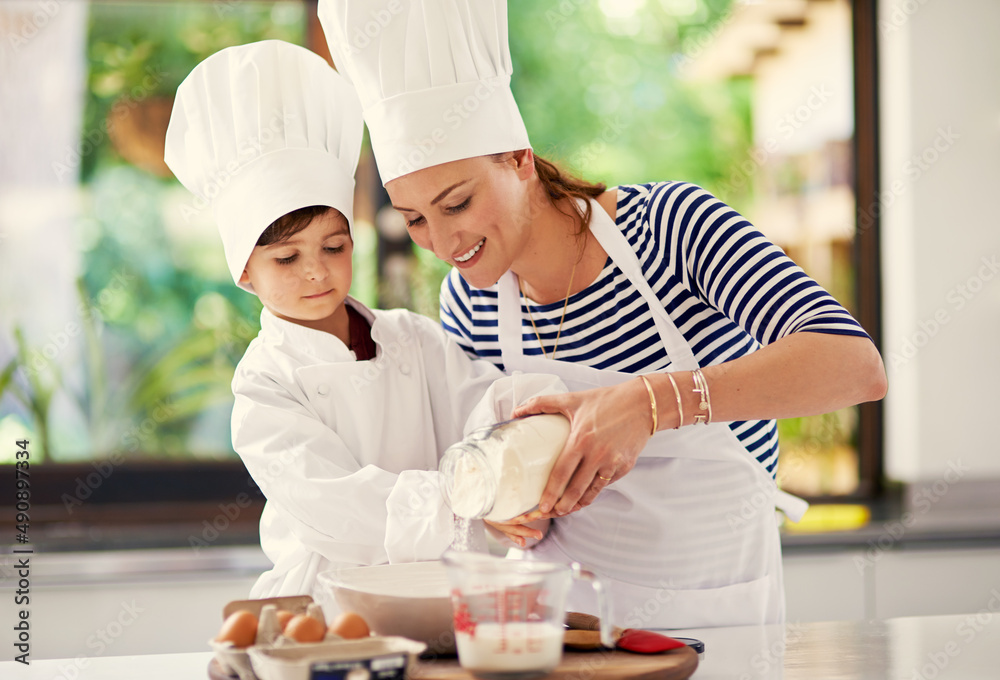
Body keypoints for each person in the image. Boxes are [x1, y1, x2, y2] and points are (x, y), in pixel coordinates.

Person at [319, 0, 888, 628]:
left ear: (518, 158)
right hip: (560, 627)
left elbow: (852, 365)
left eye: (457, 203)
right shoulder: (471, 301)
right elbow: (483, 465)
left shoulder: (672, 227)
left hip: (713, 618)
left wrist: (647, 404)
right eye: (416, 219)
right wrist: (501, 508)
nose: (445, 244)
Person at [163, 40, 563, 603]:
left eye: (334, 247)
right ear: (245, 272)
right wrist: (468, 497)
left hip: (444, 589)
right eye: (286, 258)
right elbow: (343, 510)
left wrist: (535, 426)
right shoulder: (264, 387)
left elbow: (483, 406)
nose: (315, 273)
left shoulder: (411, 338)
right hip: (329, 602)